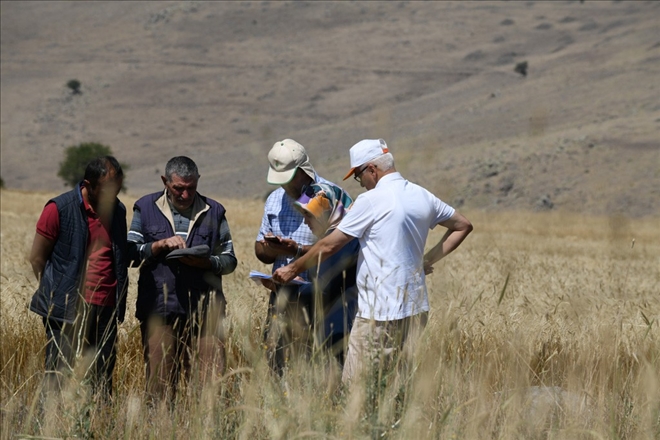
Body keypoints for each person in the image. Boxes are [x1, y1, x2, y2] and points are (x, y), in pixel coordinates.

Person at [273, 139, 473, 384]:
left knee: (355, 388)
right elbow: (463, 226)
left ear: (372, 169)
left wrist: (292, 268)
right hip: (416, 308)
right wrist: (426, 260)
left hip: (378, 313)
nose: (361, 183)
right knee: (398, 386)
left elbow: (330, 244)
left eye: (358, 176)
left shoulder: (371, 200)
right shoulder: (422, 195)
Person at [127, 156, 237, 403]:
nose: (185, 194)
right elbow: (130, 252)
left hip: (206, 311)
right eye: (178, 188)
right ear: (165, 181)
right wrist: (158, 245)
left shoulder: (215, 211)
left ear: (198, 181)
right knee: (160, 387)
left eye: (191, 188)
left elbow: (230, 259)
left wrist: (207, 263)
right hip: (159, 309)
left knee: (211, 387)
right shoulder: (145, 207)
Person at [29, 156, 128, 400]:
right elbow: (37, 258)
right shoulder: (58, 209)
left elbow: (118, 253)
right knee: (58, 374)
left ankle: (99, 429)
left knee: (102, 376)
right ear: (88, 184)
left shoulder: (118, 210)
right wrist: (57, 292)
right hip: (67, 308)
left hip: (106, 307)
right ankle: (48, 429)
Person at [255, 139, 343, 372]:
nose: (285, 186)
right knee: (276, 361)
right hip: (282, 295)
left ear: (304, 170)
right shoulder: (274, 199)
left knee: (321, 362)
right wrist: (273, 248)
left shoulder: (329, 195)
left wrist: (295, 251)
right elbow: (260, 252)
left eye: (290, 179)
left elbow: (339, 247)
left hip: (322, 296)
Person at [262, 182, 359, 364]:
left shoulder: (342, 243)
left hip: (339, 332)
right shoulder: (334, 238)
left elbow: (324, 291)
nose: (306, 222)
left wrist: (285, 289)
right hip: (330, 330)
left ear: (325, 212)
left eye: (309, 215)